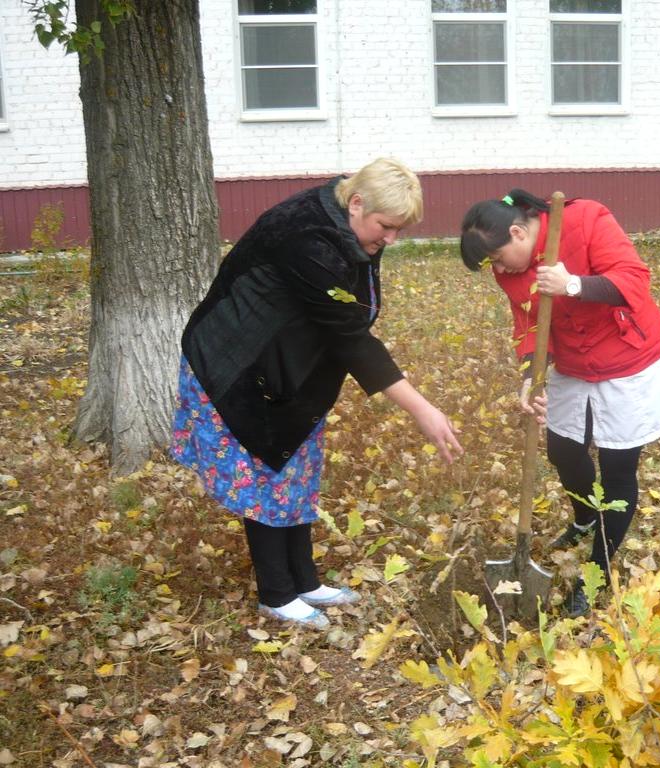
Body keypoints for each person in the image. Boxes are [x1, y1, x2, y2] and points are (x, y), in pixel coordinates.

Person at [171, 157, 463, 629]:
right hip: (236, 362)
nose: (390, 240)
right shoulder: (304, 236)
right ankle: (276, 593)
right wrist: (422, 409)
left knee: (295, 467)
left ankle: (304, 581)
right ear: (358, 201)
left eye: (399, 231)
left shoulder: (350, 221)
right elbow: (350, 337)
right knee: (264, 471)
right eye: (386, 227)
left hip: (287, 365)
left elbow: (346, 318)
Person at [461, 190, 660, 617]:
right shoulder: (509, 268)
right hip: (571, 362)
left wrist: (573, 285)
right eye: (492, 266)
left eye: (498, 258)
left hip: (627, 358)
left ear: (517, 231)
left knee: (618, 467)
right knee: (563, 449)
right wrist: (531, 376)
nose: (500, 270)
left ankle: (596, 572)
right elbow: (526, 322)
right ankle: (583, 518)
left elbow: (635, 280)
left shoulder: (586, 220)